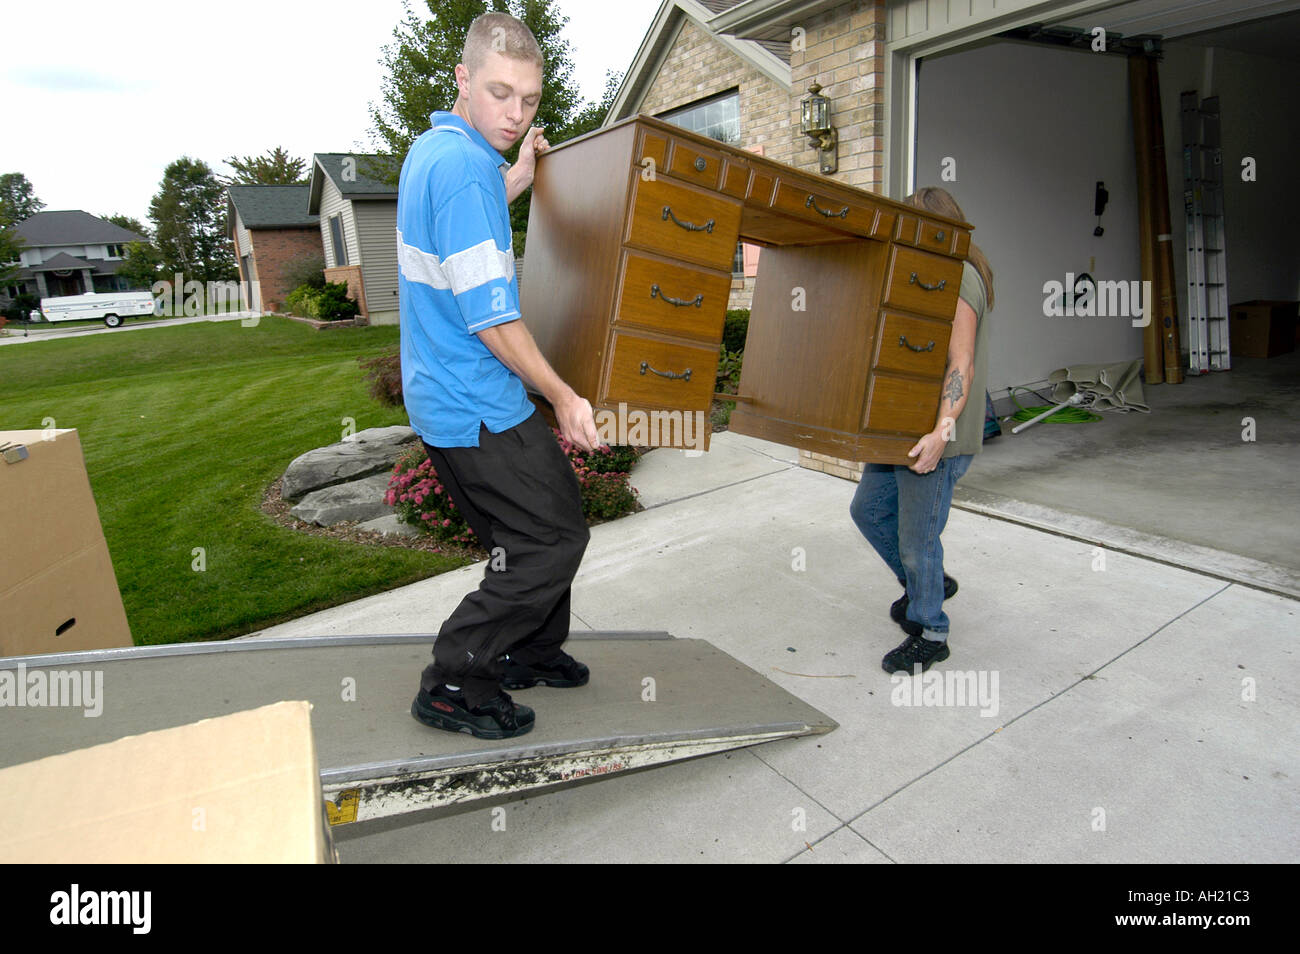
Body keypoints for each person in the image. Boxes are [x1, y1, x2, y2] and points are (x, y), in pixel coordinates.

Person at [397, 11, 604, 739]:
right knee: (550, 541)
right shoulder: (461, 169)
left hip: (443, 393)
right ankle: (456, 678)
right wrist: (563, 393)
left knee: (535, 534)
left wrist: (515, 176)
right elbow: (490, 317)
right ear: (462, 78)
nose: (515, 114)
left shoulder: (442, 151)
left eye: (528, 99)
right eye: (498, 93)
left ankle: (529, 650)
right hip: (476, 399)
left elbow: (462, 231)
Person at [849, 186, 995, 675]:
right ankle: (925, 584)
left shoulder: (960, 276)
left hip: (936, 433)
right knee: (867, 510)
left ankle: (931, 628)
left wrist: (942, 431)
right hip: (901, 425)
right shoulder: (923, 273)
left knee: (918, 539)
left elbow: (962, 362)